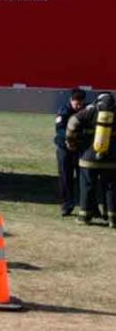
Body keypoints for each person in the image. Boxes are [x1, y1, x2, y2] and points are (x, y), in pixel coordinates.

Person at [66, 92, 116, 227]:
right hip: (111, 159)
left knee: (87, 186)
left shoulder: (90, 110)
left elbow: (72, 123)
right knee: (111, 188)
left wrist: (71, 142)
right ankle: (113, 219)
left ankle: (84, 217)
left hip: (88, 158)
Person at [54, 89, 86, 216]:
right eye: (75, 103)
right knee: (65, 176)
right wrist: (70, 137)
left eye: (80, 104)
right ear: (71, 100)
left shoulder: (86, 111)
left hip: (79, 149)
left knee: (83, 177)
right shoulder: (64, 111)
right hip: (64, 149)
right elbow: (60, 129)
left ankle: (85, 206)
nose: (78, 106)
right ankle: (66, 205)